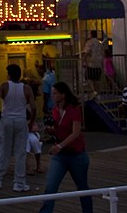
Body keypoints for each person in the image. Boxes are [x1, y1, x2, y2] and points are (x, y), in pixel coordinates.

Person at [38, 81, 92, 213]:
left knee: (82, 187)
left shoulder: (74, 108)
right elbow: (59, 129)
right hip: (61, 155)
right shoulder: (55, 110)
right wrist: (51, 131)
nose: (52, 96)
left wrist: (59, 146)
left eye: (55, 93)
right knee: (51, 187)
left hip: (76, 154)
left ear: (63, 94)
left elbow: (76, 132)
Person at [0, 63, 37, 193]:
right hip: (21, 120)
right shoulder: (26, 88)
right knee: (20, 153)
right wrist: (31, 122)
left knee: (3, 151)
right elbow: (34, 107)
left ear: (9, 75)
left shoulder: (4, 86)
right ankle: (19, 183)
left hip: (7, 119)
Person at [82, 31, 104, 97]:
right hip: (99, 63)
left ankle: (94, 91)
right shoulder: (99, 43)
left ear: (91, 34)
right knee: (96, 79)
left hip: (91, 63)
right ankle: (97, 92)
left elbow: (86, 52)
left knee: (89, 78)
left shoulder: (89, 42)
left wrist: (83, 60)